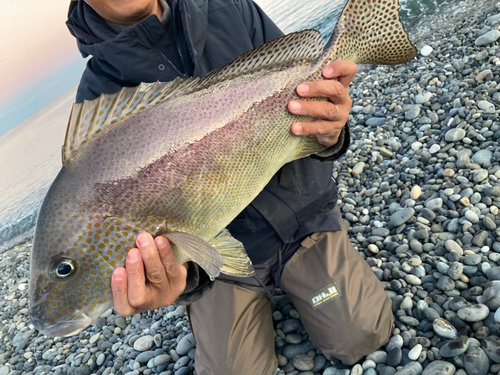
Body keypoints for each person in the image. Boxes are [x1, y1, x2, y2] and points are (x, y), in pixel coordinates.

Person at [66, 0, 394, 373]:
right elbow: (156, 238)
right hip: (219, 266)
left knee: (364, 336)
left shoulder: (228, 6)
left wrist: (331, 130)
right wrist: (179, 281)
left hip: (302, 217)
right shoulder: (99, 100)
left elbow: (309, 93)